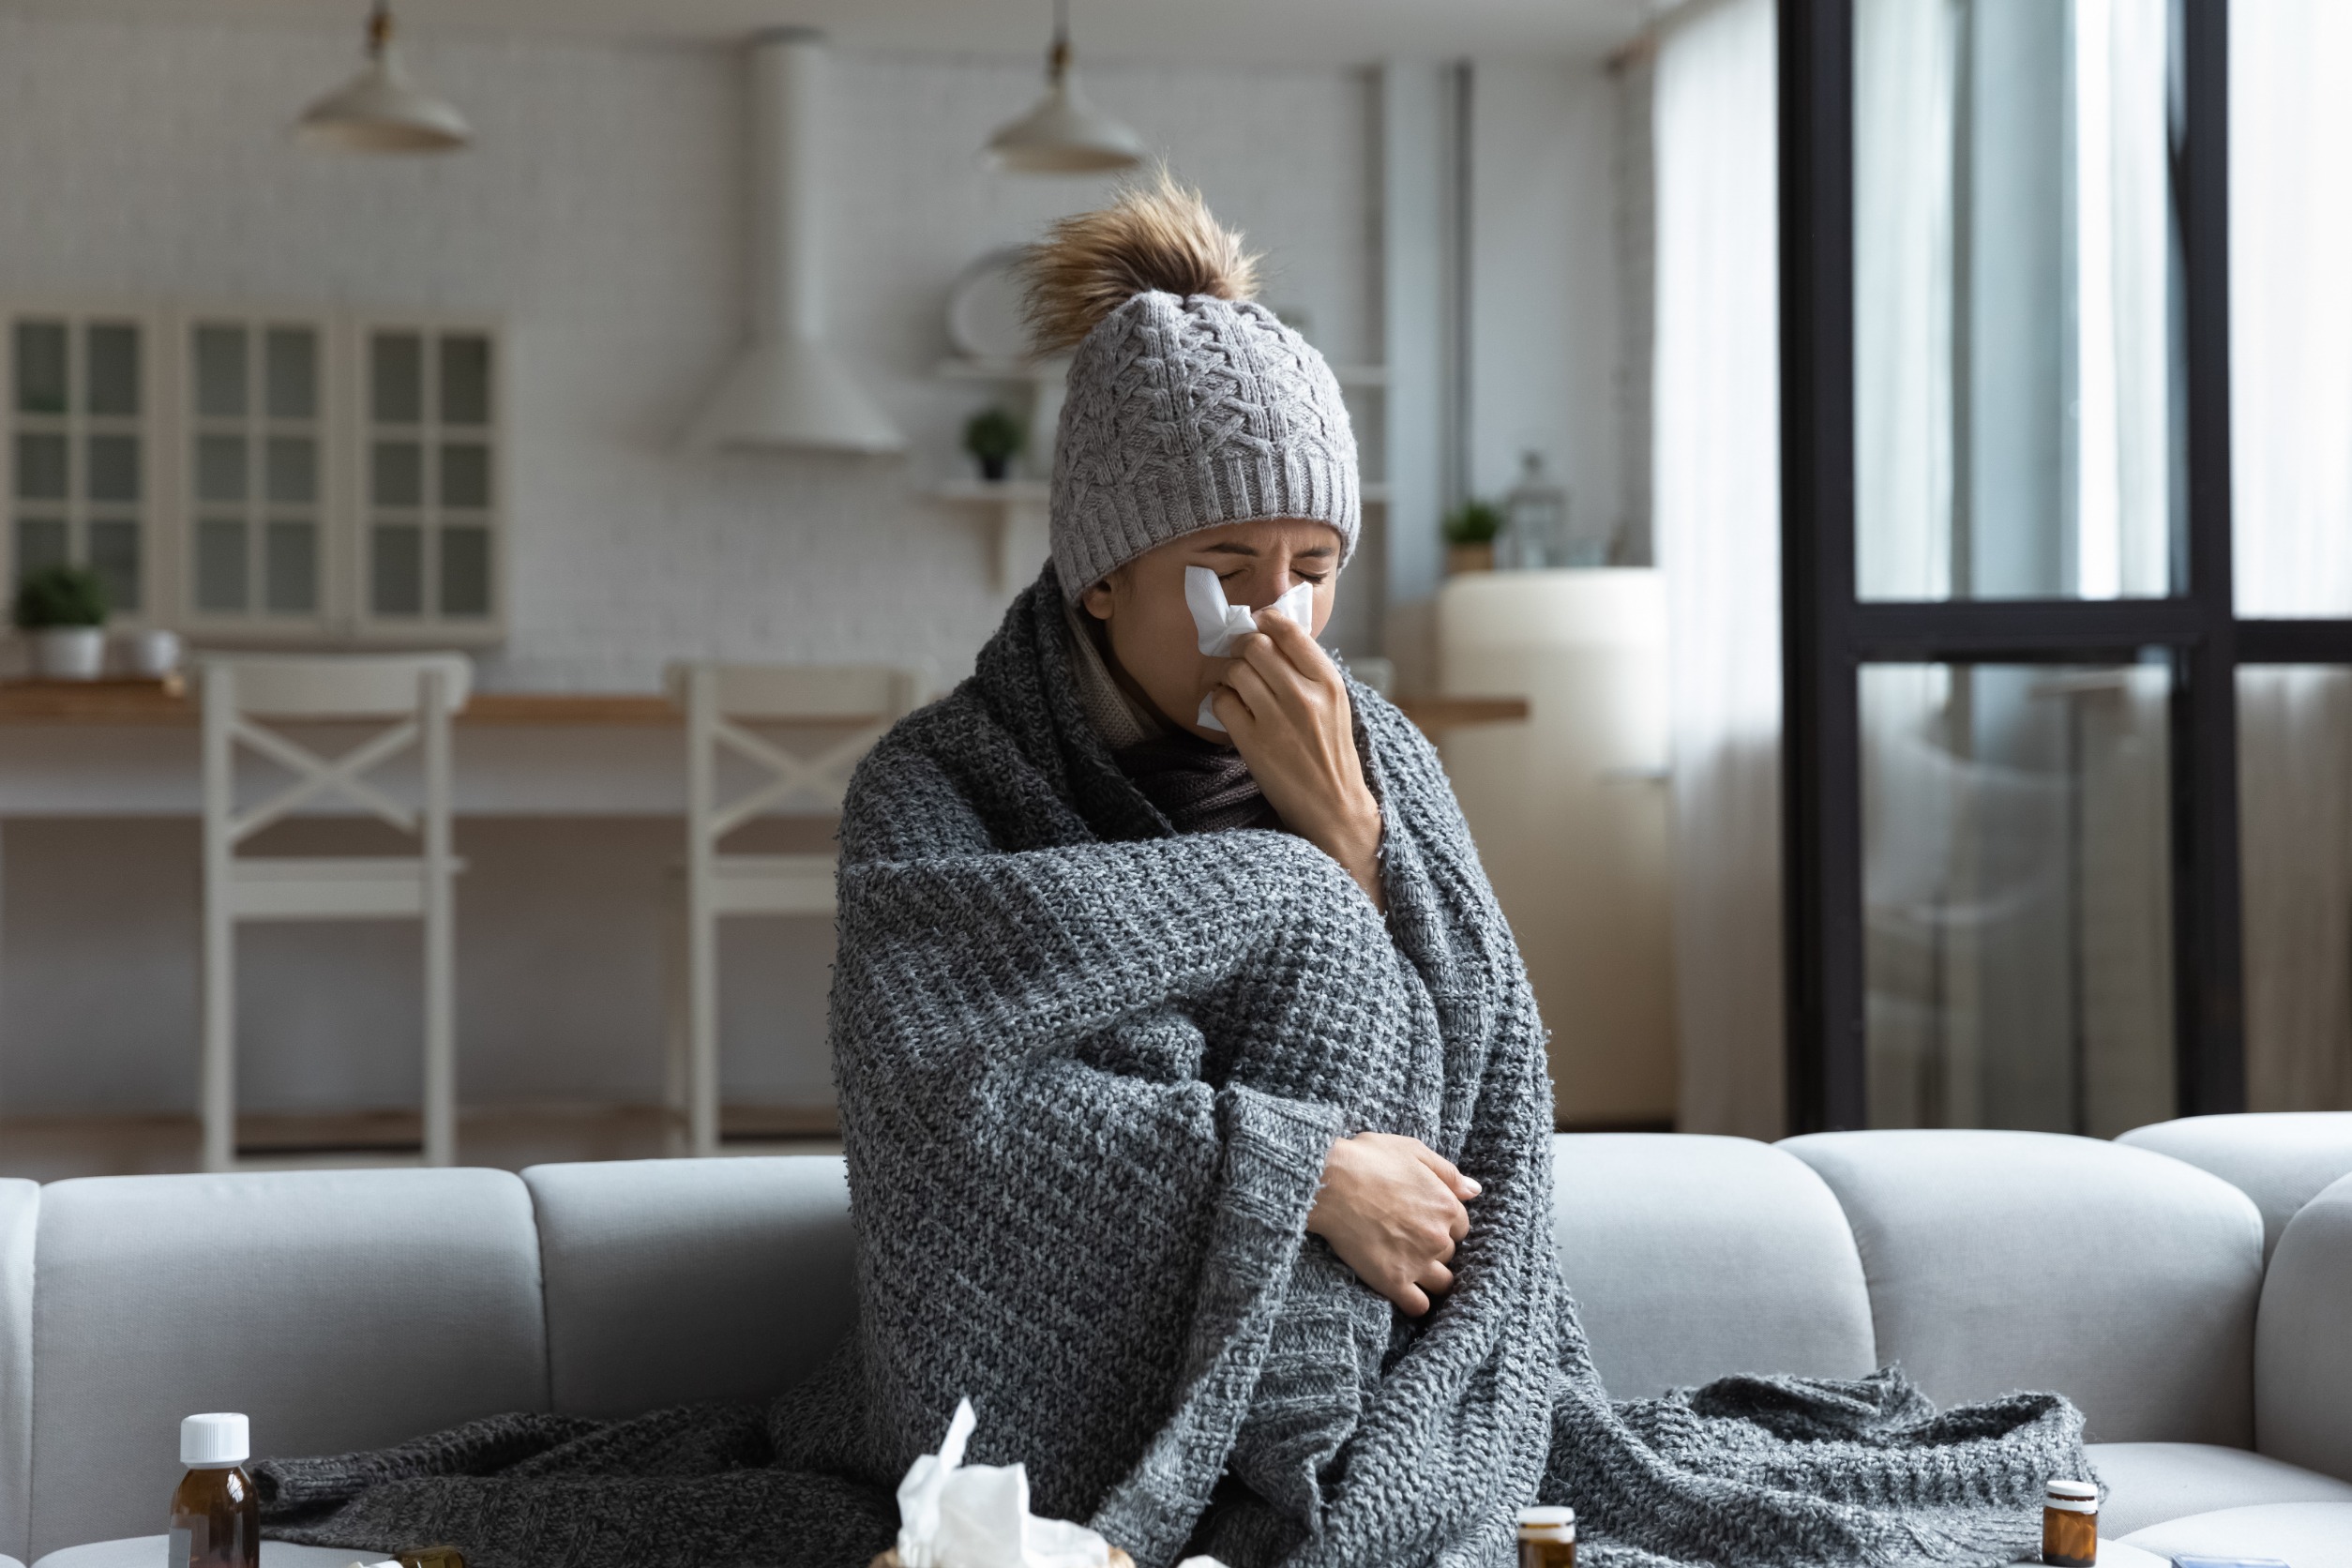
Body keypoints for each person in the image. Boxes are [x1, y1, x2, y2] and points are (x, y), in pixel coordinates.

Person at [255, 177, 2089, 1568]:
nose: (1281, 611)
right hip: (1029, 1362)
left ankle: (1292, 1481)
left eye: (1315, 561)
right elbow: (937, 1106)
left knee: (1320, 908)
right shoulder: (939, 785)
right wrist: (1293, 1168)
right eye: (1232, 559)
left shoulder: (1381, 759)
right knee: (1296, 925)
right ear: (1105, 573)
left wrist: (1356, 842)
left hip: (1361, 1358)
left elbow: (1495, 1106)